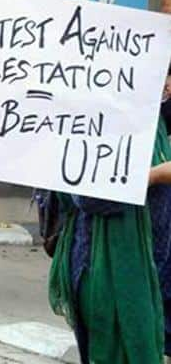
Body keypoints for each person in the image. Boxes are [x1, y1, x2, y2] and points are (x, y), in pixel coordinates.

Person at [49, 113, 171, 363]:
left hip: (152, 275)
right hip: (106, 277)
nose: (167, 85)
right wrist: (154, 175)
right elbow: (89, 199)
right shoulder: (98, 122)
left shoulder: (154, 123)